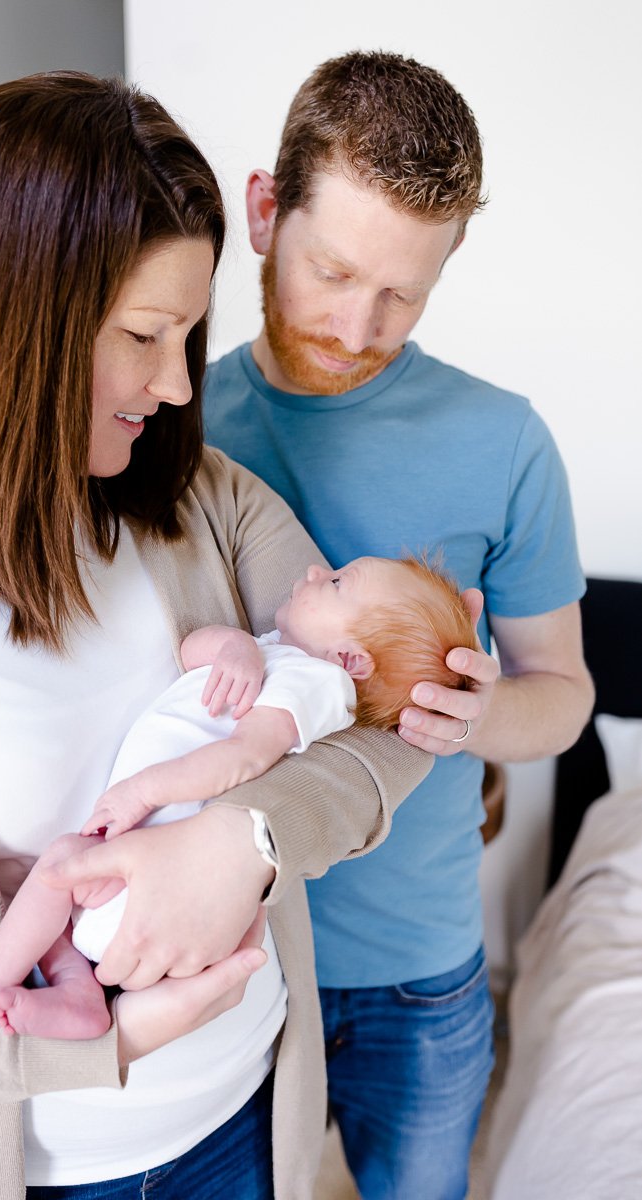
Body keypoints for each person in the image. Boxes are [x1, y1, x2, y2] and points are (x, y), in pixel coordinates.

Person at [0, 71, 434, 1200]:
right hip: (39, 1169)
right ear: (4, 316)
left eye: (192, 333)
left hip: (247, 1116)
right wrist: (98, 1042)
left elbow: (395, 700)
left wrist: (244, 840)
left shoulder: (200, 496)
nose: (176, 383)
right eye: (145, 335)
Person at [203, 49, 595, 1200]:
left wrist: (476, 715)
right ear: (264, 212)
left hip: (420, 982)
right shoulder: (171, 427)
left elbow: (561, 694)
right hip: (229, 959)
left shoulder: (504, 440)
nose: (358, 324)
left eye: (404, 294)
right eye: (333, 270)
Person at [0, 554, 478, 1039]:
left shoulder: (314, 684)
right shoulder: (285, 656)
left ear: (350, 660)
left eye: (334, 583)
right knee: (51, 897)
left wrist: (142, 791)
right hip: (148, 873)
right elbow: (188, 655)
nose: (313, 568)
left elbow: (244, 758)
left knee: (57, 867)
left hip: (158, 868)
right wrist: (235, 647)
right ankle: (78, 995)